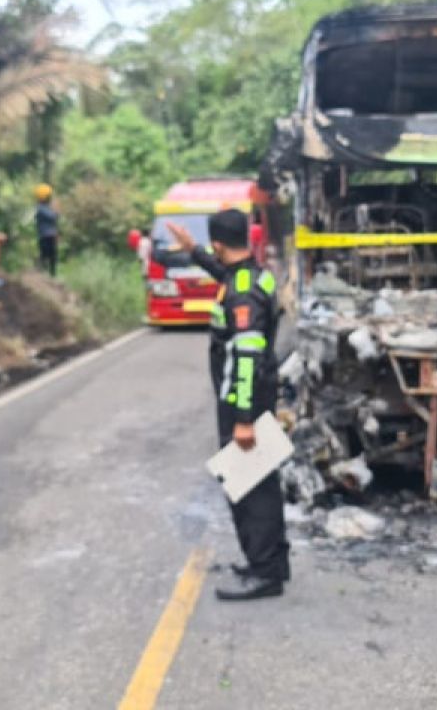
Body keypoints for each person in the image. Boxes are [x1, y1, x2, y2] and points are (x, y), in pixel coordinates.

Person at [168, 209, 289, 601]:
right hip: (255, 395)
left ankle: (266, 572)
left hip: (245, 399)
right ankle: (267, 563)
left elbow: (247, 358)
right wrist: (193, 251)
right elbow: (226, 276)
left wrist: (243, 419)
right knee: (254, 482)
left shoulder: (242, 293)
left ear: (220, 244)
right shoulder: (254, 275)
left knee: (251, 487)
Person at [34, 184, 60, 277]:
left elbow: (55, 220)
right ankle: (41, 274)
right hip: (45, 236)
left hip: (51, 235)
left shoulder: (46, 207)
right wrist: (56, 209)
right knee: (45, 255)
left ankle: (52, 275)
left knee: (53, 257)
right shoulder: (40, 208)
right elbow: (53, 217)